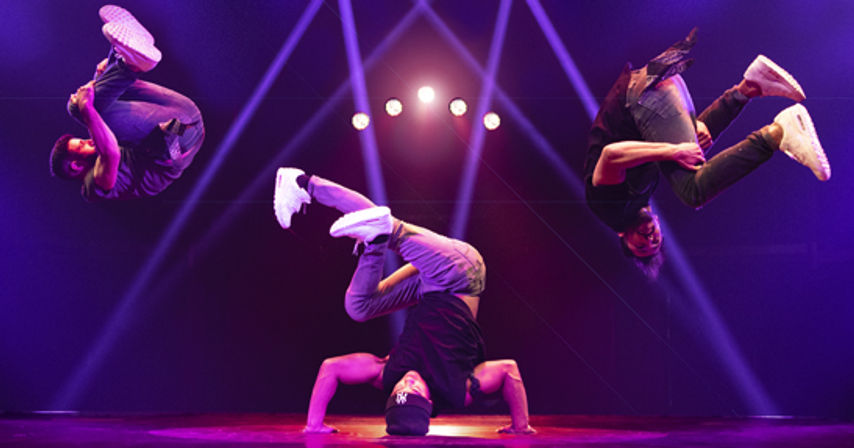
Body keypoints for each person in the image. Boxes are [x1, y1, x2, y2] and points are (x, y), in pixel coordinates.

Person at [273, 168, 535, 436]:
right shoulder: (457, 390)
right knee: (392, 230)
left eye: (400, 390)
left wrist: (314, 425)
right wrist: (521, 427)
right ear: (429, 402)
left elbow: (332, 368)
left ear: (390, 394)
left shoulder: (389, 374)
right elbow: (508, 370)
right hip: (459, 273)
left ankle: (375, 241)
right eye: (414, 391)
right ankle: (304, 184)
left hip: (425, 286)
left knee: (358, 307)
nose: (408, 382)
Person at [584, 28, 830, 277]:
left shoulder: (612, 212)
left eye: (640, 246)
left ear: (622, 236)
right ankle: (751, 86)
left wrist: (673, 150)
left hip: (642, 97)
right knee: (691, 160)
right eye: (655, 242)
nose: (649, 238)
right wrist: (687, 137)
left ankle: (776, 134)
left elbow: (610, 155)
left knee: (693, 191)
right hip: (656, 89)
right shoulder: (640, 194)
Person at [49, 5, 204, 201]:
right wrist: (86, 107)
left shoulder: (113, 146)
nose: (88, 140)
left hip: (186, 115)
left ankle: (123, 56)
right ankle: (128, 63)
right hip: (177, 141)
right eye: (82, 145)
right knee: (80, 109)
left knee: (97, 99)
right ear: (75, 166)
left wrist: (99, 80)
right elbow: (111, 153)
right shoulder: (92, 185)